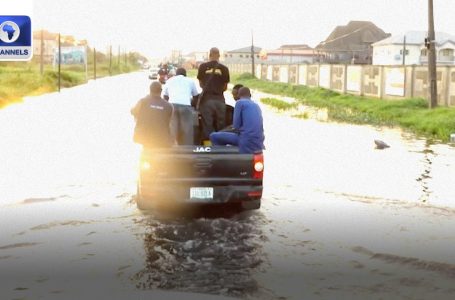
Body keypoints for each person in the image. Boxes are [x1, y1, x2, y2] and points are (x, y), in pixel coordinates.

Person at [209, 87, 265, 154]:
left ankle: (221, 158)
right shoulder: (256, 105)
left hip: (246, 140)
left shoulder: (239, 103)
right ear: (250, 95)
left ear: (238, 95)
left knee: (214, 136)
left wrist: (222, 131)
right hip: (258, 141)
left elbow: (236, 126)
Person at [197, 47, 230, 142]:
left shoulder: (202, 67)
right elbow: (225, 87)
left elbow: (200, 84)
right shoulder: (224, 69)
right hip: (220, 100)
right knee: (221, 125)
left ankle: (209, 147)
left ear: (209, 55)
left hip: (207, 100)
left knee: (208, 125)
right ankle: (220, 146)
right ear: (219, 56)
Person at [131, 81, 174, 148]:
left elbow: (133, 111)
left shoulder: (142, 101)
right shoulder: (168, 106)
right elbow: (168, 121)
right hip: (162, 139)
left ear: (150, 90)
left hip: (144, 138)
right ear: (161, 91)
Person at [162, 67, 199, 145]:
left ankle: (172, 149)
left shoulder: (169, 81)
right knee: (187, 130)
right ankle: (186, 150)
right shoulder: (190, 81)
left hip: (172, 106)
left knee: (173, 129)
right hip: (186, 106)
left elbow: (165, 96)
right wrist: (193, 105)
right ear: (185, 74)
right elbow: (196, 96)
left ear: (176, 74)